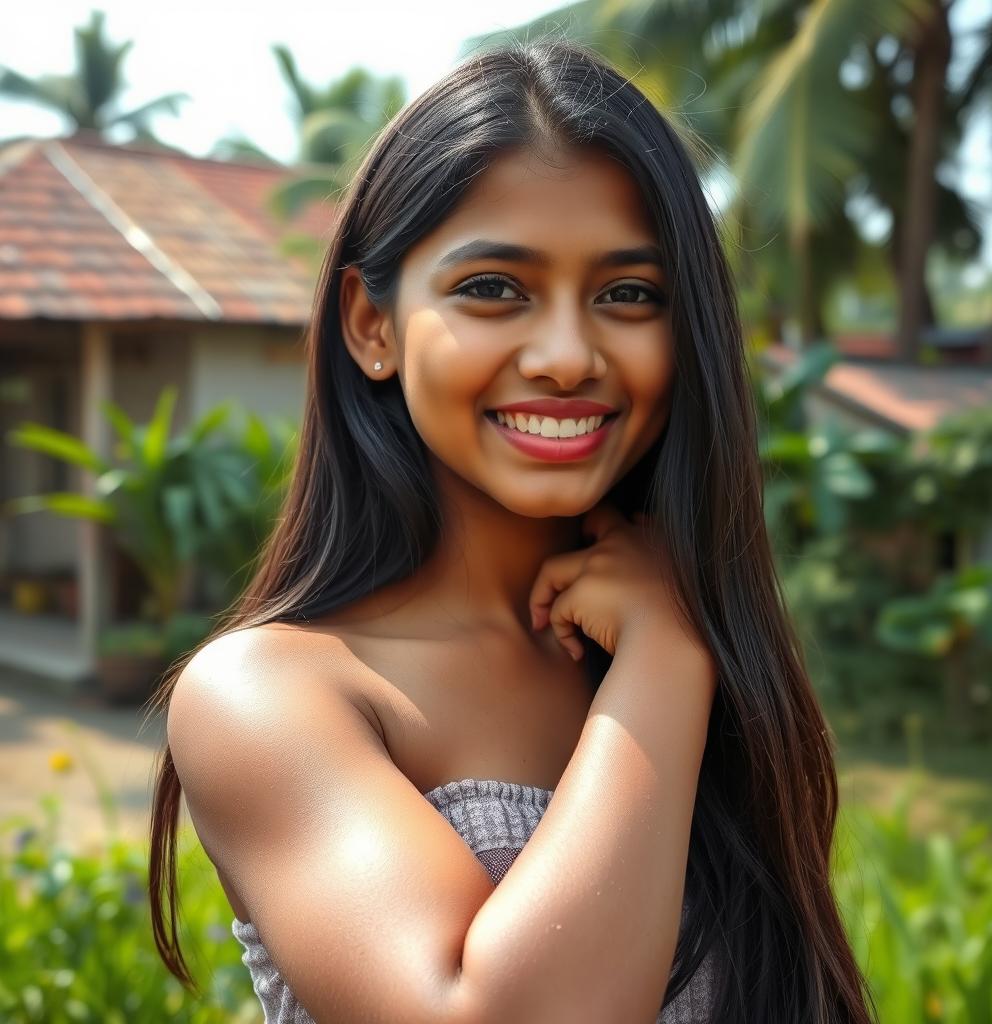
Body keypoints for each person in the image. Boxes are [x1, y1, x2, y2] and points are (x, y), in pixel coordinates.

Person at [146, 38, 876, 1024]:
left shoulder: (717, 656)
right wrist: (663, 654)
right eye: (493, 288)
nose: (569, 356)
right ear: (372, 324)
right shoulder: (270, 692)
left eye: (627, 294)